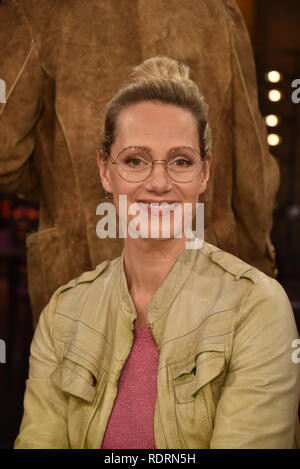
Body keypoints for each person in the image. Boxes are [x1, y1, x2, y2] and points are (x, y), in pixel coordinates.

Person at [14, 56, 300, 449]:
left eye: (181, 161)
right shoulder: (62, 314)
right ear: (105, 170)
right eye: (135, 160)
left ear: (204, 173)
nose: (159, 182)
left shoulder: (257, 307)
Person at [0, 0, 280, 327]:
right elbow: (253, 169)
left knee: (81, 375)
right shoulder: (215, 9)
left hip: (81, 274)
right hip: (203, 270)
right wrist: (259, 266)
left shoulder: (40, 8)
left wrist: (64, 189)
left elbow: (6, 154)